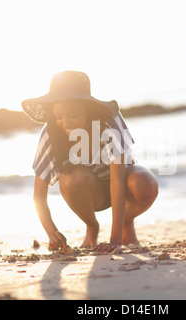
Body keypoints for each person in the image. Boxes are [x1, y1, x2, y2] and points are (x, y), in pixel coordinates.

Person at [21, 71, 158, 253]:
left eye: (73, 115)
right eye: (58, 116)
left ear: (87, 108)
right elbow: (38, 196)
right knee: (69, 178)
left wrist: (114, 241)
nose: (66, 123)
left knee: (144, 183)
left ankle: (126, 221)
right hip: (92, 193)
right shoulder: (50, 135)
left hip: (122, 186)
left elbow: (117, 179)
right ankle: (92, 226)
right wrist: (52, 232)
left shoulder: (110, 121)